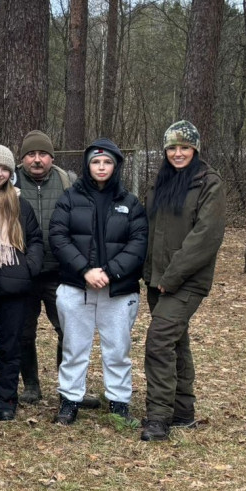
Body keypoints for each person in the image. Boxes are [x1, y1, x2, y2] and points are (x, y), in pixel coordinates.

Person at [49, 139, 148, 426]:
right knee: (74, 348)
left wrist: (110, 271)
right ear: (87, 165)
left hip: (117, 289)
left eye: (107, 162)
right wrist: (84, 270)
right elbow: (58, 236)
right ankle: (70, 400)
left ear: (116, 167)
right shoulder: (69, 198)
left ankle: (119, 402)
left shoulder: (130, 203)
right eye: (96, 162)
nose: (101, 167)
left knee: (117, 349)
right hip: (77, 286)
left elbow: (138, 242)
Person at [140, 121, 226, 442]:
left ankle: (159, 417)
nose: (178, 153)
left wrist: (173, 275)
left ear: (195, 149)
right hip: (156, 278)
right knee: (176, 341)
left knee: (159, 341)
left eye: (185, 147)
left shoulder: (209, 183)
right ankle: (183, 411)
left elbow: (207, 235)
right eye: (172, 148)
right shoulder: (159, 182)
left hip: (185, 280)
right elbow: (147, 227)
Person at [13, 131, 100, 409]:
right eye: (31, 154)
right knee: (23, 332)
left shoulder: (68, 182)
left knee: (68, 330)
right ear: (23, 158)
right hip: (23, 271)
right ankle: (31, 386)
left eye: (42, 154)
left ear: (52, 157)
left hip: (60, 272)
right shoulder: (11, 182)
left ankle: (69, 387)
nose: (37, 160)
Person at [0, 145, 44, 421]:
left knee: (10, 345)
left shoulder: (20, 204)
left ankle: (4, 400)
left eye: (4, 169)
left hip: (15, 284)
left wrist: (29, 267)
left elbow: (35, 239)